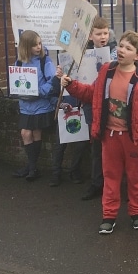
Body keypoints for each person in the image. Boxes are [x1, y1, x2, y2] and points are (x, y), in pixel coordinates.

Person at [62, 31, 138, 235]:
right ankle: (109, 216)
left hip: (132, 139)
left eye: (128, 48)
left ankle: (137, 214)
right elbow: (93, 93)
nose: (121, 50)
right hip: (109, 137)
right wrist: (72, 86)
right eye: (121, 46)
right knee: (111, 177)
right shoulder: (106, 71)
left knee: (135, 178)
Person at [51, 18, 117, 194]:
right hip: (90, 104)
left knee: (111, 148)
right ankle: (97, 184)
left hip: (111, 104)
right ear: (90, 36)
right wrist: (61, 74)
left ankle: (112, 186)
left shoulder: (116, 52)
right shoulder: (81, 54)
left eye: (105, 33)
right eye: (99, 33)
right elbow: (72, 78)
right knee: (95, 146)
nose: (103, 37)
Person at [11, 30, 58, 182]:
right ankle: (32, 166)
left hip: (41, 104)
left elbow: (52, 82)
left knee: (36, 133)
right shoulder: (18, 63)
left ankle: (32, 168)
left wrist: (38, 92)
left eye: (39, 44)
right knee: (26, 133)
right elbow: (15, 83)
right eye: (34, 45)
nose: (38, 47)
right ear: (25, 47)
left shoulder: (45, 61)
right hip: (25, 105)